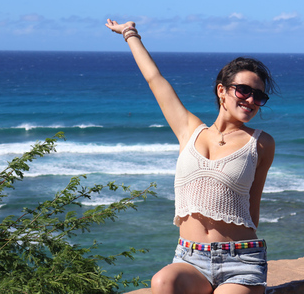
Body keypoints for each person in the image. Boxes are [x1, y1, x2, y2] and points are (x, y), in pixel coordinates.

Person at [106, 19, 276, 294]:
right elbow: (155, 80)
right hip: (190, 258)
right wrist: (129, 34)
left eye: (259, 97)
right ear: (222, 90)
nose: (251, 100)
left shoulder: (261, 143)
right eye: (244, 90)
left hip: (240, 260)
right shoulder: (189, 131)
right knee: (161, 282)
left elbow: (251, 210)